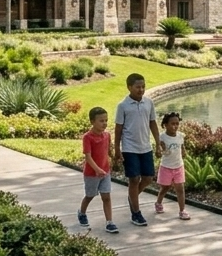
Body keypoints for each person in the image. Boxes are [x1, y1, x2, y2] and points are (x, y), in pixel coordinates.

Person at [112, 73, 158, 226]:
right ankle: (136, 214)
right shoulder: (123, 106)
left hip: (145, 147)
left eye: (143, 86)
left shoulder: (149, 103)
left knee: (148, 178)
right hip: (129, 148)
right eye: (138, 87)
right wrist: (117, 149)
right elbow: (118, 129)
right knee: (134, 179)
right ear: (129, 87)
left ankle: (133, 197)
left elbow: (153, 123)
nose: (141, 89)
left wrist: (158, 143)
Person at [78, 108, 119, 234]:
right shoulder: (87, 137)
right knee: (90, 195)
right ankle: (82, 212)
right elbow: (88, 157)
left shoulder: (107, 135)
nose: (105, 123)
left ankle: (109, 222)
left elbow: (108, 150)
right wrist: (97, 169)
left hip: (105, 172)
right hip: (92, 174)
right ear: (92, 121)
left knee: (106, 196)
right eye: (101, 121)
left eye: (106, 120)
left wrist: (115, 157)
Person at [154, 112, 190, 220]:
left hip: (178, 166)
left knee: (180, 189)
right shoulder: (162, 137)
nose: (175, 126)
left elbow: (182, 147)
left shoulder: (180, 136)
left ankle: (182, 210)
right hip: (166, 167)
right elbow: (160, 152)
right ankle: (158, 202)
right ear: (165, 125)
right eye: (172, 124)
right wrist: (161, 150)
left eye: (177, 124)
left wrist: (184, 152)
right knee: (165, 187)